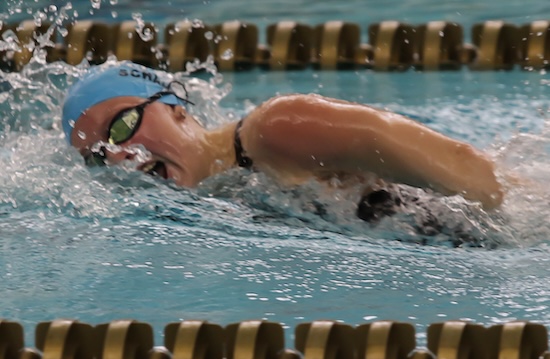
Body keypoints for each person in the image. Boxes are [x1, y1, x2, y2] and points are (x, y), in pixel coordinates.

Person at [62, 61, 505, 233]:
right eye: (98, 156)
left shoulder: (278, 129)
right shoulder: (211, 200)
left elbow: (475, 175)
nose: (119, 155)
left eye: (120, 127)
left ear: (177, 106)